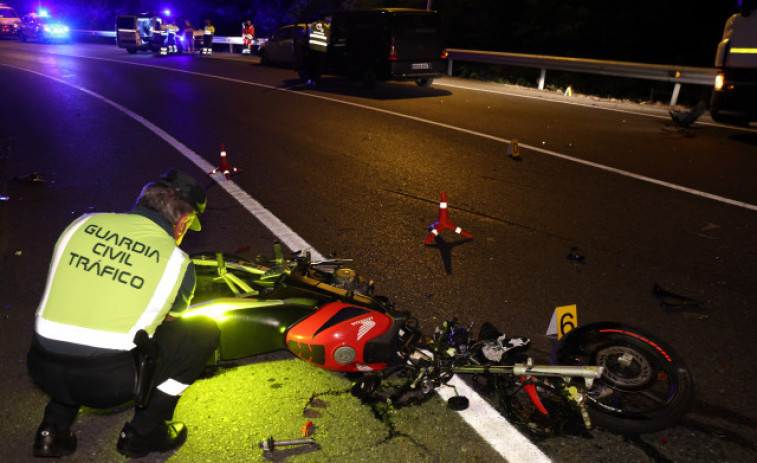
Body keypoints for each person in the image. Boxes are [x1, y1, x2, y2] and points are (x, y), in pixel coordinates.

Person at [27, 169, 220, 459]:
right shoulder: (177, 261)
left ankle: (52, 430)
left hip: (42, 365)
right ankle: (143, 431)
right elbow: (170, 321)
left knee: (80, 316)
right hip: (107, 384)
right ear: (182, 222)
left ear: (143, 200)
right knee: (201, 332)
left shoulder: (83, 223)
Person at [306, 13, 331, 84]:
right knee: (319, 66)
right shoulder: (327, 27)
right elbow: (328, 40)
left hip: (313, 48)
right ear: (324, 19)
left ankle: (310, 79)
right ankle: (316, 80)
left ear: (318, 18)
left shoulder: (313, 25)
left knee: (312, 64)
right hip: (322, 50)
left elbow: (309, 35)